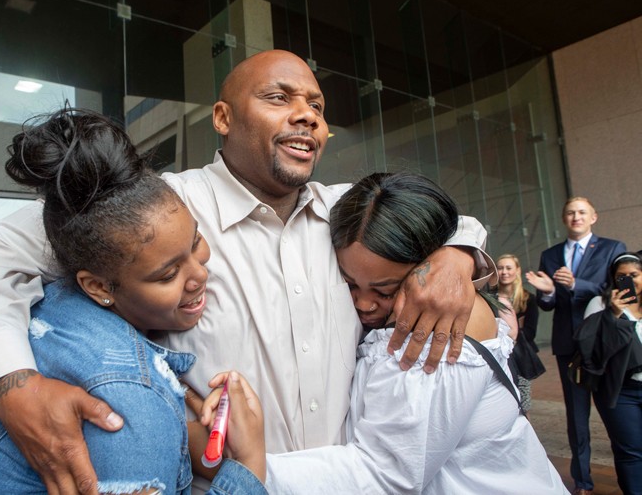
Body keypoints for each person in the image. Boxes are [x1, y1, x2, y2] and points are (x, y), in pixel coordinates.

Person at [0, 49, 495, 493]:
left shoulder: (350, 212)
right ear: (223, 119)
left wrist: (455, 256)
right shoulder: (156, 209)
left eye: (318, 107)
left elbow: (449, 219)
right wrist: (11, 385)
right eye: (279, 97)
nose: (307, 114)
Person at [0, 108, 267, 494]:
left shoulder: (60, 301)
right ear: (98, 287)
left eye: (197, 242)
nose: (201, 274)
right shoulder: (126, 401)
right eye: (168, 274)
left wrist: (175, 435)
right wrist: (249, 466)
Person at [196, 172, 565, 493]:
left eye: (386, 290)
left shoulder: (436, 330)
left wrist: (248, 465)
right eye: (349, 284)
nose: (365, 304)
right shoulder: (372, 235)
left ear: (429, 265)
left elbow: (384, 476)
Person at [526, 197, 626, 495]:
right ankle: (582, 482)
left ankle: (630, 475)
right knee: (576, 416)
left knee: (616, 411)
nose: (576, 217)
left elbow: (614, 291)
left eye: (582, 212)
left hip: (604, 343)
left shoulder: (613, 248)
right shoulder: (551, 254)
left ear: (593, 217)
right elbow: (549, 303)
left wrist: (574, 285)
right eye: (570, 212)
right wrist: (546, 293)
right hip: (569, 344)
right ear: (563, 218)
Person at [580, 252, 642, 495]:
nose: (627, 280)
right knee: (631, 450)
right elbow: (592, 350)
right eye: (621, 276)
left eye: (634, 275)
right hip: (620, 390)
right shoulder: (600, 304)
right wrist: (614, 315)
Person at [497, 253, 541, 411]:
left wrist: (507, 330)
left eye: (508, 268)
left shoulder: (529, 299)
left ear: (517, 270)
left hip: (521, 356)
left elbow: (530, 332)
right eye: (500, 268)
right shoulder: (489, 297)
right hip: (498, 356)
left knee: (522, 404)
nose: (504, 272)